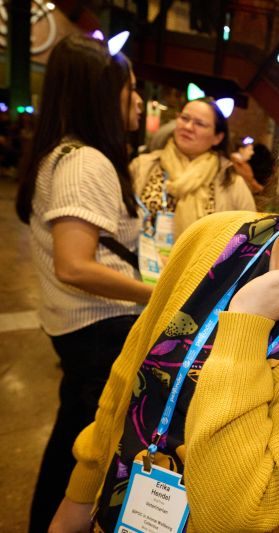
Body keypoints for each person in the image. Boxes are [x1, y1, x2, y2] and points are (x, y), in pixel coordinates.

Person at [48, 89, 279, 532]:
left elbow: (241, 511)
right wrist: (78, 495)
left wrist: (247, 324)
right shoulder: (212, 240)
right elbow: (128, 380)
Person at [14, 33, 152, 531]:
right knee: (82, 455)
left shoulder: (60, 153)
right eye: (129, 88)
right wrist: (157, 294)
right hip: (99, 331)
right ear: (102, 93)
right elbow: (73, 265)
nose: (138, 100)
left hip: (80, 331)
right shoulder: (86, 160)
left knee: (73, 444)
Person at [130, 97, 255, 245]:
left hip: (202, 267)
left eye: (200, 124)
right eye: (184, 118)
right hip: (141, 264)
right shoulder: (142, 166)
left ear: (217, 137)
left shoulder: (231, 182)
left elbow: (250, 238)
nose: (188, 127)